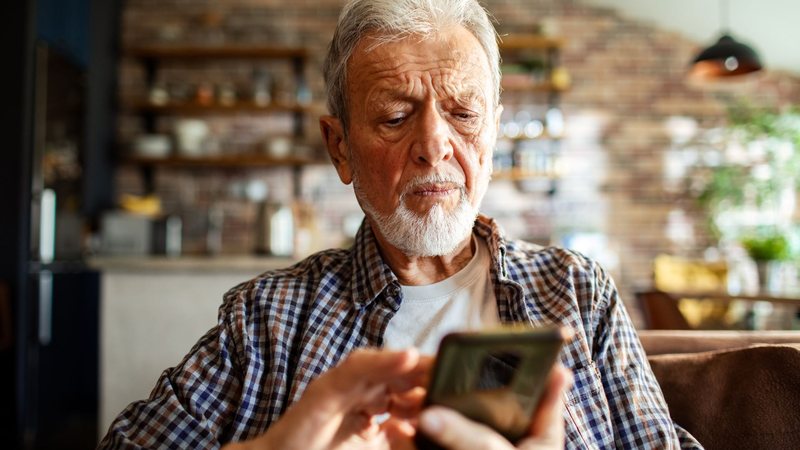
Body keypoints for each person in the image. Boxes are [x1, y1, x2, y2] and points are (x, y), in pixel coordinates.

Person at [100, 0, 702, 448]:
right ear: (340, 148)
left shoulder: (577, 293)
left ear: (492, 134)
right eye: (394, 116)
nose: (434, 146)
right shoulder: (266, 318)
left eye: (463, 113)